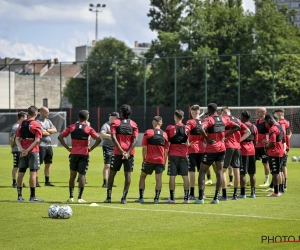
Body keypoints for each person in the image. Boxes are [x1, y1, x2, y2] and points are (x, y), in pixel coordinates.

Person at [192, 103, 240, 204]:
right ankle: (216, 198)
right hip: (222, 148)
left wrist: (208, 139)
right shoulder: (224, 119)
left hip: (211, 149)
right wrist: (225, 136)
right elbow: (237, 127)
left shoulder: (209, 119)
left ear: (209, 110)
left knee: (202, 172)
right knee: (219, 173)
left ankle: (200, 198)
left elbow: (201, 129)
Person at [58, 110, 101, 203]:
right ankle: (80, 198)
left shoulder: (72, 126)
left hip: (73, 153)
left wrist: (67, 148)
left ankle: (71, 197)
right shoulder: (88, 128)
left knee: (72, 174)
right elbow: (99, 139)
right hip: (84, 153)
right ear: (87, 117)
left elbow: (60, 137)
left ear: (78, 117)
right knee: (82, 175)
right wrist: (91, 148)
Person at [104, 104, 138, 204]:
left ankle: (109, 197)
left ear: (121, 112)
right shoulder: (133, 124)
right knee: (127, 175)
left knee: (112, 174)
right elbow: (135, 140)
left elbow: (113, 138)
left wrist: (122, 152)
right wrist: (127, 152)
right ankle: (123, 198)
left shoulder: (115, 122)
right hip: (129, 153)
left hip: (118, 152)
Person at [135, 116, 168, 204]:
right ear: (161, 123)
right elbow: (166, 150)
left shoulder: (148, 132)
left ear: (153, 123)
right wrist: (164, 161)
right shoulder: (165, 134)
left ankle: (141, 197)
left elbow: (144, 148)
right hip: (160, 160)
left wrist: (143, 159)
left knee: (142, 176)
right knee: (159, 179)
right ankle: (156, 199)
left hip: (149, 160)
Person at [220, 107, 250, 200]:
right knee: (236, 171)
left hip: (227, 147)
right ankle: (235, 195)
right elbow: (248, 132)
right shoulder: (237, 120)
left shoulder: (224, 119)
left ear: (223, 113)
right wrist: (238, 141)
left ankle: (224, 195)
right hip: (237, 148)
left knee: (222, 171)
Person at [15, 106, 43, 202]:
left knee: (21, 172)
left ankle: (19, 196)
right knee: (33, 173)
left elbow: (17, 139)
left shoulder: (22, 123)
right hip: (33, 151)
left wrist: (22, 149)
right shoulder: (36, 124)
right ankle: (32, 197)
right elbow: (37, 140)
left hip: (22, 150)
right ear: (35, 114)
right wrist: (27, 150)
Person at [165, 109, 190, 204]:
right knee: (185, 176)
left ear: (175, 117)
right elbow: (187, 143)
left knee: (172, 177)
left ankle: (172, 198)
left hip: (173, 154)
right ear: (183, 117)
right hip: (184, 154)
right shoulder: (187, 128)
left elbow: (166, 141)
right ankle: (186, 199)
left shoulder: (170, 128)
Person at [186, 105, 205, 199]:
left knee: (192, 171)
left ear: (192, 112)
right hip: (202, 149)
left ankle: (192, 193)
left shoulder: (190, 122)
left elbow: (185, 132)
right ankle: (202, 193)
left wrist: (187, 142)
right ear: (199, 112)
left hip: (192, 148)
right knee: (202, 172)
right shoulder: (204, 122)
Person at [36, 106, 57, 187]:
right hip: (41, 146)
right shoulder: (37, 121)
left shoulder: (48, 121)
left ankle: (47, 181)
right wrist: (48, 131)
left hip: (49, 145)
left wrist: (47, 130)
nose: (48, 114)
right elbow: (41, 133)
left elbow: (55, 130)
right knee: (38, 164)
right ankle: (36, 181)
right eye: (46, 112)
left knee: (48, 163)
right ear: (41, 112)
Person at [264, 113, 284, 197]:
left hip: (274, 152)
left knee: (275, 172)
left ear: (269, 119)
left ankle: (276, 192)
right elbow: (283, 139)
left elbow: (272, 142)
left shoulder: (273, 128)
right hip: (280, 151)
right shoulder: (280, 126)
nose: (267, 124)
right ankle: (281, 190)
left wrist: (266, 147)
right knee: (279, 171)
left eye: (266, 122)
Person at [240, 111, 258, 198]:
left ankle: (243, 194)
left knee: (242, 173)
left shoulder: (241, 126)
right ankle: (253, 193)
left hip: (243, 150)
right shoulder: (254, 126)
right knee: (252, 173)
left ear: (243, 117)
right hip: (252, 150)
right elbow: (256, 141)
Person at [273, 108, 291, 191]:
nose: (274, 115)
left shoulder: (282, 123)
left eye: (275, 114)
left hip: (282, 147)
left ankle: (282, 185)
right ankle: (281, 184)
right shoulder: (286, 122)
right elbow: (289, 133)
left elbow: (284, 135)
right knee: (282, 166)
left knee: (281, 167)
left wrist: (284, 144)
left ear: (280, 114)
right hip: (284, 146)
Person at [100, 112, 119, 188]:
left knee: (113, 166)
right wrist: (112, 135)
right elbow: (102, 134)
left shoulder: (117, 126)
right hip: (107, 147)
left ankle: (110, 182)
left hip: (115, 147)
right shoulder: (106, 125)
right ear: (113, 118)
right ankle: (105, 182)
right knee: (107, 165)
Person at [9, 111, 27, 188]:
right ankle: (14, 182)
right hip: (17, 149)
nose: (27, 119)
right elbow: (12, 138)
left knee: (22, 167)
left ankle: (21, 183)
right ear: (22, 117)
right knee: (16, 166)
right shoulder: (15, 127)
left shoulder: (23, 126)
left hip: (23, 150)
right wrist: (12, 148)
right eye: (25, 117)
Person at [255, 107, 270, 187]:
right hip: (256, 146)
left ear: (264, 112)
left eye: (259, 111)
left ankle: (267, 180)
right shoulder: (257, 121)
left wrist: (268, 141)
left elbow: (272, 131)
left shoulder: (266, 122)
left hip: (263, 147)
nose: (257, 112)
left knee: (265, 163)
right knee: (251, 162)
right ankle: (251, 179)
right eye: (257, 111)